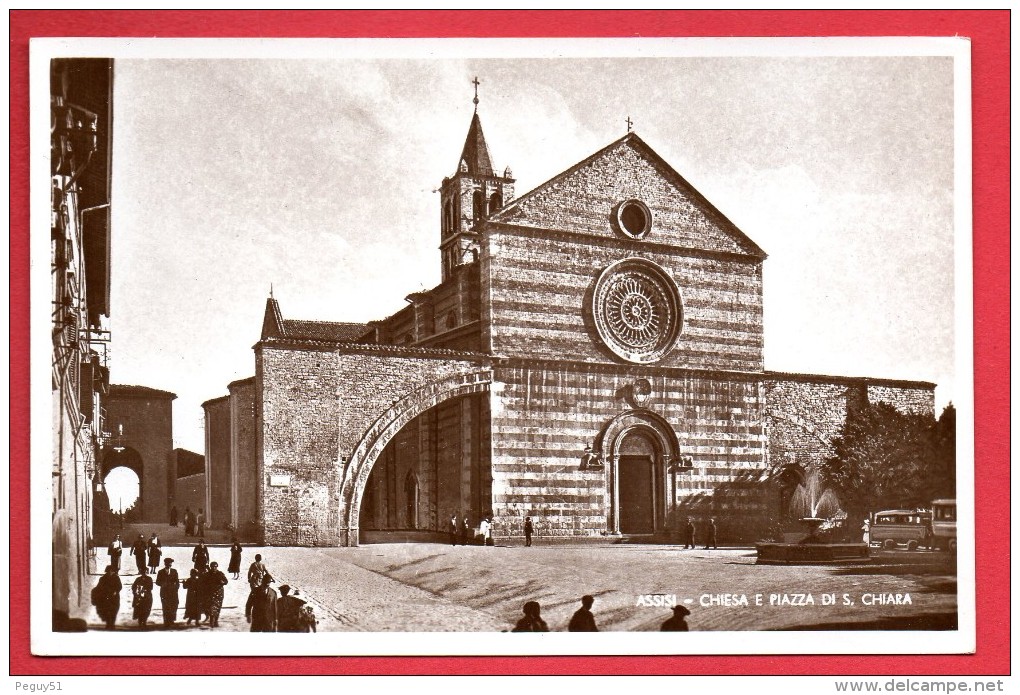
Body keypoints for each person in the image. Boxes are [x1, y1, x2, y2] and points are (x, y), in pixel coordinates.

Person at [92, 565, 122, 630]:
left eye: (112, 571)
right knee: (107, 611)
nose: (111, 572)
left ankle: (112, 624)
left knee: (114, 611)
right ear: (107, 571)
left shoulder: (116, 578)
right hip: (106, 597)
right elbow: (99, 587)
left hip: (114, 597)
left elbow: (119, 586)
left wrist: (116, 591)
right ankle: (108, 624)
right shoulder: (103, 578)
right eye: (109, 571)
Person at [155, 557, 180, 627]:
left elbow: (177, 582)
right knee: (165, 606)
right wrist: (162, 584)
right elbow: (157, 582)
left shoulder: (174, 571)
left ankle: (172, 620)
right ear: (165, 563)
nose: (169, 564)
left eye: (170, 563)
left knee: (174, 605)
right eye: (168, 563)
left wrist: (176, 588)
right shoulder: (161, 572)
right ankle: (166, 621)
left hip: (173, 592)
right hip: (164, 592)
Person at [203, 561, 229, 628]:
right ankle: (212, 621)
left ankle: (216, 620)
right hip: (210, 593)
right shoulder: (207, 574)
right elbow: (204, 583)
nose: (214, 568)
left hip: (219, 593)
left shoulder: (220, 574)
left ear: (217, 567)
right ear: (210, 567)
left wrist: (222, 582)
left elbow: (226, 581)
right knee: (211, 607)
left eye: (215, 566)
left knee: (218, 607)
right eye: (212, 566)